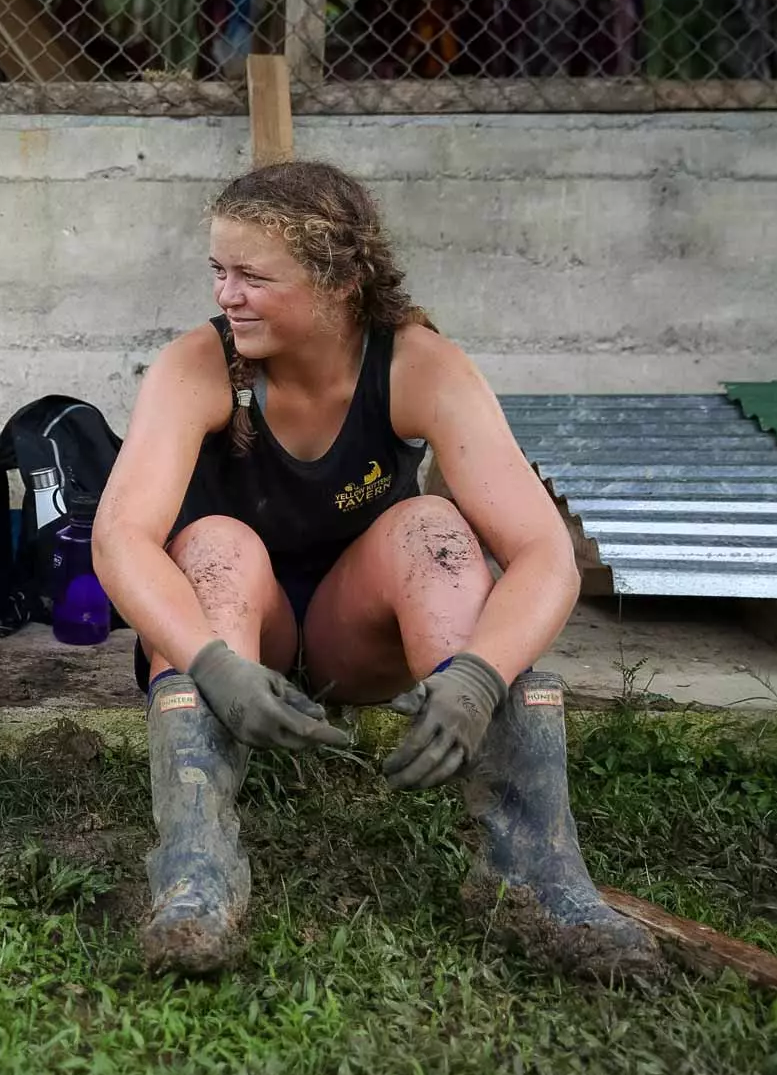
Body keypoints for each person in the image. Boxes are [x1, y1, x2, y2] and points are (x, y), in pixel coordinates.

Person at [93, 162, 660, 980]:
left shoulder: (417, 363)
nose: (226, 295)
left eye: (253, 276)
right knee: (215, 543)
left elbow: (545, 553)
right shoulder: (199, 365)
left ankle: (536, 873)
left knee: (432, 527)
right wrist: (214, 663)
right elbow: (119, 539)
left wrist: (478, 677)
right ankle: (196, 877)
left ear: (340, 282)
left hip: (350, 639)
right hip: (231, 632)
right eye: (218, 271)